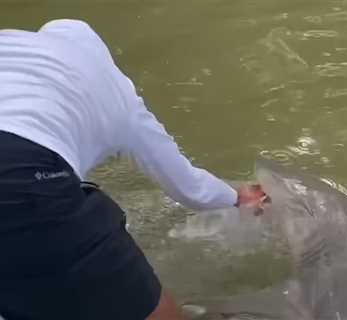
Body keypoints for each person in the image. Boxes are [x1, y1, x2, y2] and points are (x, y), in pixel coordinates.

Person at [0, 19, 267, 320]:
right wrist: (236, 197)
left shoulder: (13, 46)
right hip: (21, 175)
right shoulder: (110, 88)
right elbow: (186, 185)